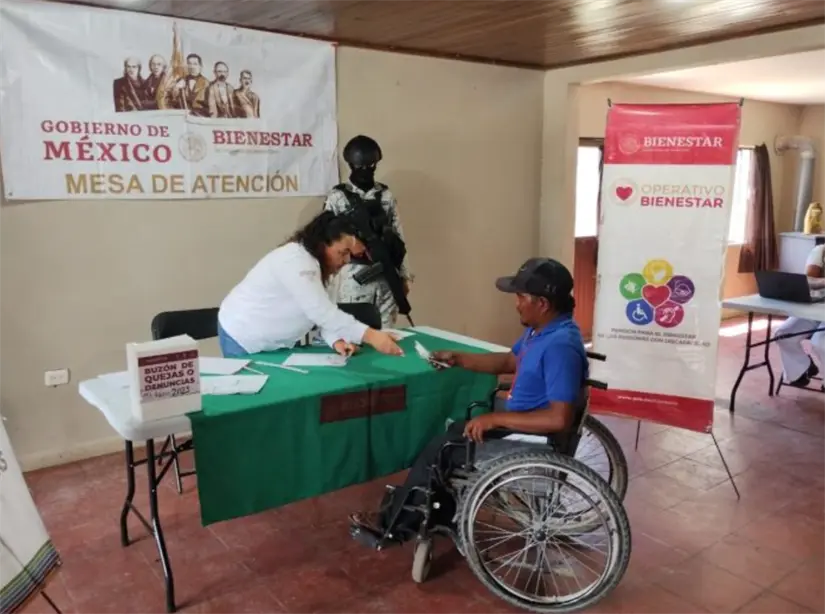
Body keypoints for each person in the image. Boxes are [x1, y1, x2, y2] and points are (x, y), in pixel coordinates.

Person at [350, 257, 588, 541]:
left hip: (530, 440)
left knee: (440, 450)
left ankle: (395, 524)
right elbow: (510, 361)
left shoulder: (560, 346)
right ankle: (436, 509)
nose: (516, 303)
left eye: (521, 297)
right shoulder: (541, 331)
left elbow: (558, 418)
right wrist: (459, 358)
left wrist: (493, 418)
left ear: (543, 303)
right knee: (450, 431)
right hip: (518, 421)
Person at [217, 211, 403, 358]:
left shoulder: (320, 265)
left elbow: (324, 309)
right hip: (243, 336)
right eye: (343, 252)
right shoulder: (295, 260)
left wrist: (335, 340)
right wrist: (371, 336)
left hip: (275, 342)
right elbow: (320, 311)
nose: (347, 260)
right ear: (323, 244)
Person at [323, 135, 414, 328]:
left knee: (387, 335)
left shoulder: (385, 196)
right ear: (350, 165)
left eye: (370, 166)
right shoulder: (338, 197)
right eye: (360, 166)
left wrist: (405, 276)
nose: (366, 171)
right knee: (355, 334)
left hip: (387, 275)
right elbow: (328, 239)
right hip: (353, 277)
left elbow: (399, 236)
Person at [775, 243, 825, 388]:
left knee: (820, 342)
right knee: (783, 334)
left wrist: (819, 283)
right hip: (813, 308)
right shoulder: (821, 251)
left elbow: (815, 282)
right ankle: (802, 368)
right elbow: (809, 281)